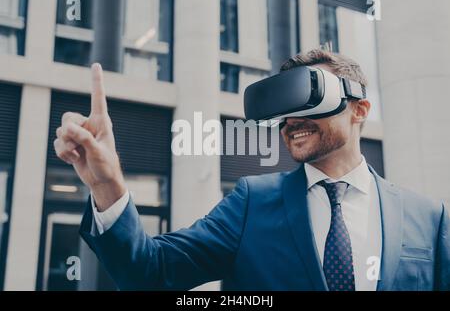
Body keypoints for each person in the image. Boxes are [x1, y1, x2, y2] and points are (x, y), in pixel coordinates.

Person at [53, 49, 449, 291]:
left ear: (359, 109)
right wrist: (108, 184)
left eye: (309, 99)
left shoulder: (427, 218)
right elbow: (149, 275)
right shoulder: (252, 203)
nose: (291, 120)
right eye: (283, 110)